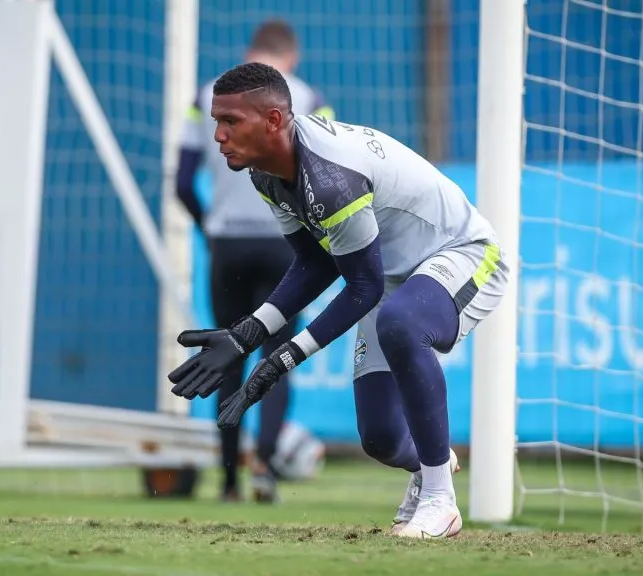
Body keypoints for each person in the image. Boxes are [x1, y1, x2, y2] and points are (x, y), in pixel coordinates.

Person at [167, 62, 509, 539]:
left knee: (399, 322)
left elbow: (362, 287)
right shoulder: (265, 173)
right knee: (382, 439)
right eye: (216, 122)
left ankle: (440, 501)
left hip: (461, 253)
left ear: (271, 121)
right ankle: (433, 463)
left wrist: (282, 358)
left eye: (230, 122)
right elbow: (315, 261)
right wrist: (248, 334)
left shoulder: (329, 178)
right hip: (390, 276)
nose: (219, 136)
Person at [174, 20, 334, 504]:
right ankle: (264, 469)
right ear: (293, 56)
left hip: (228, 246)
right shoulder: (307, 98)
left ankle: (226, 481)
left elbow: (181, 181)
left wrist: (209, 229)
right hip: (286, 247)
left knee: (227, 356)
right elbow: (327, 173)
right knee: (278, 356)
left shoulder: (206, 96)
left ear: (251, 51)